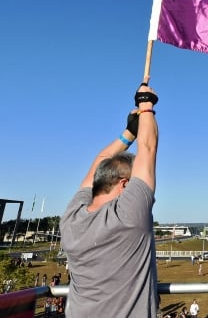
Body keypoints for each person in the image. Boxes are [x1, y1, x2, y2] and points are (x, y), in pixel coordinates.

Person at [60, 83, 159, 317]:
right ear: (125, 184)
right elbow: (148, 147)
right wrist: (146, 104)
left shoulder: (71, 217)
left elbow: (102, 159)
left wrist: (128, 134)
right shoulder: (128, 216)